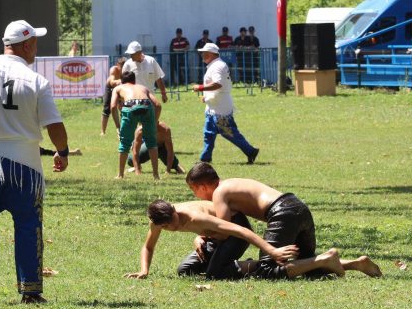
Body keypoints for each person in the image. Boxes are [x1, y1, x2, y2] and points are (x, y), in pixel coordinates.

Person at [0, 20, 69, 304]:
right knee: (28, 226)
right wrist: (62, 151)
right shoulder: (35, 81)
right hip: (25, 165)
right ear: (27, 44)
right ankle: (30, 291)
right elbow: (54, 125)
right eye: (36, 43)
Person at [184, 162, 383, 279]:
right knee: (306, 267)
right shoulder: (230, 184)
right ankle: (356, 263)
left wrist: (202, 236)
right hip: (298, 208)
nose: (197, 196)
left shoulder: (219, 194)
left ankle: (325, 258)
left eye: (194, 191)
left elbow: (225, 230)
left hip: (283, 212)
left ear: (202, 186)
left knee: (268, 269)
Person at [125, 199, 299, 280]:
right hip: (214, 236)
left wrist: (272, 251)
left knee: (215, 274)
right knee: (185, 271)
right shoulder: (157, 221)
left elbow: (242, 231)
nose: (172, 227)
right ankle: (229, 264)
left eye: (173, 220)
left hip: (234, 233)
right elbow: (148, 247)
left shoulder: (196, 217)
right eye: (165, 227)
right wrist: (144, 270)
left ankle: (258, 265)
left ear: (174, 210)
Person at [192, 43, 259, 164]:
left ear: (212, 54)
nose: (202, 55)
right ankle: (205, 159)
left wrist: (200, 88)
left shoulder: (217, 66)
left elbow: (218, 84)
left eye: (204, 52)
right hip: (214, 106)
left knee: (230, 133)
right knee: (209, 134)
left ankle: (250, 151)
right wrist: (206, 96)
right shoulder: (216, 65)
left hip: (220, 108)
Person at [111, 71, 161, 180]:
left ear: (122, 82)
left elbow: (113, 106)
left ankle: (120, 175)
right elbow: (157, 105)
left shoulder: (118, 88)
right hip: (146, 105)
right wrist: (154, 122)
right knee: (151, 143)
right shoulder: (143, 87)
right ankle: (156, 175)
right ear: (134, 81)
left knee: (124, 143)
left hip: (130, 106)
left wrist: (117, 126)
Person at [101, 57, 125, 136]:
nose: (124, 68)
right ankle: (103, 132)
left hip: (121, 88)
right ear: (118, 65)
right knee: (106, 109)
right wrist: (120, 81)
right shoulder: (113, 70)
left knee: (124, 108)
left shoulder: (128, 69)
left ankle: (121, 129)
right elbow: (111, 82)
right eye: (122, 66)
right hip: (110, 88)